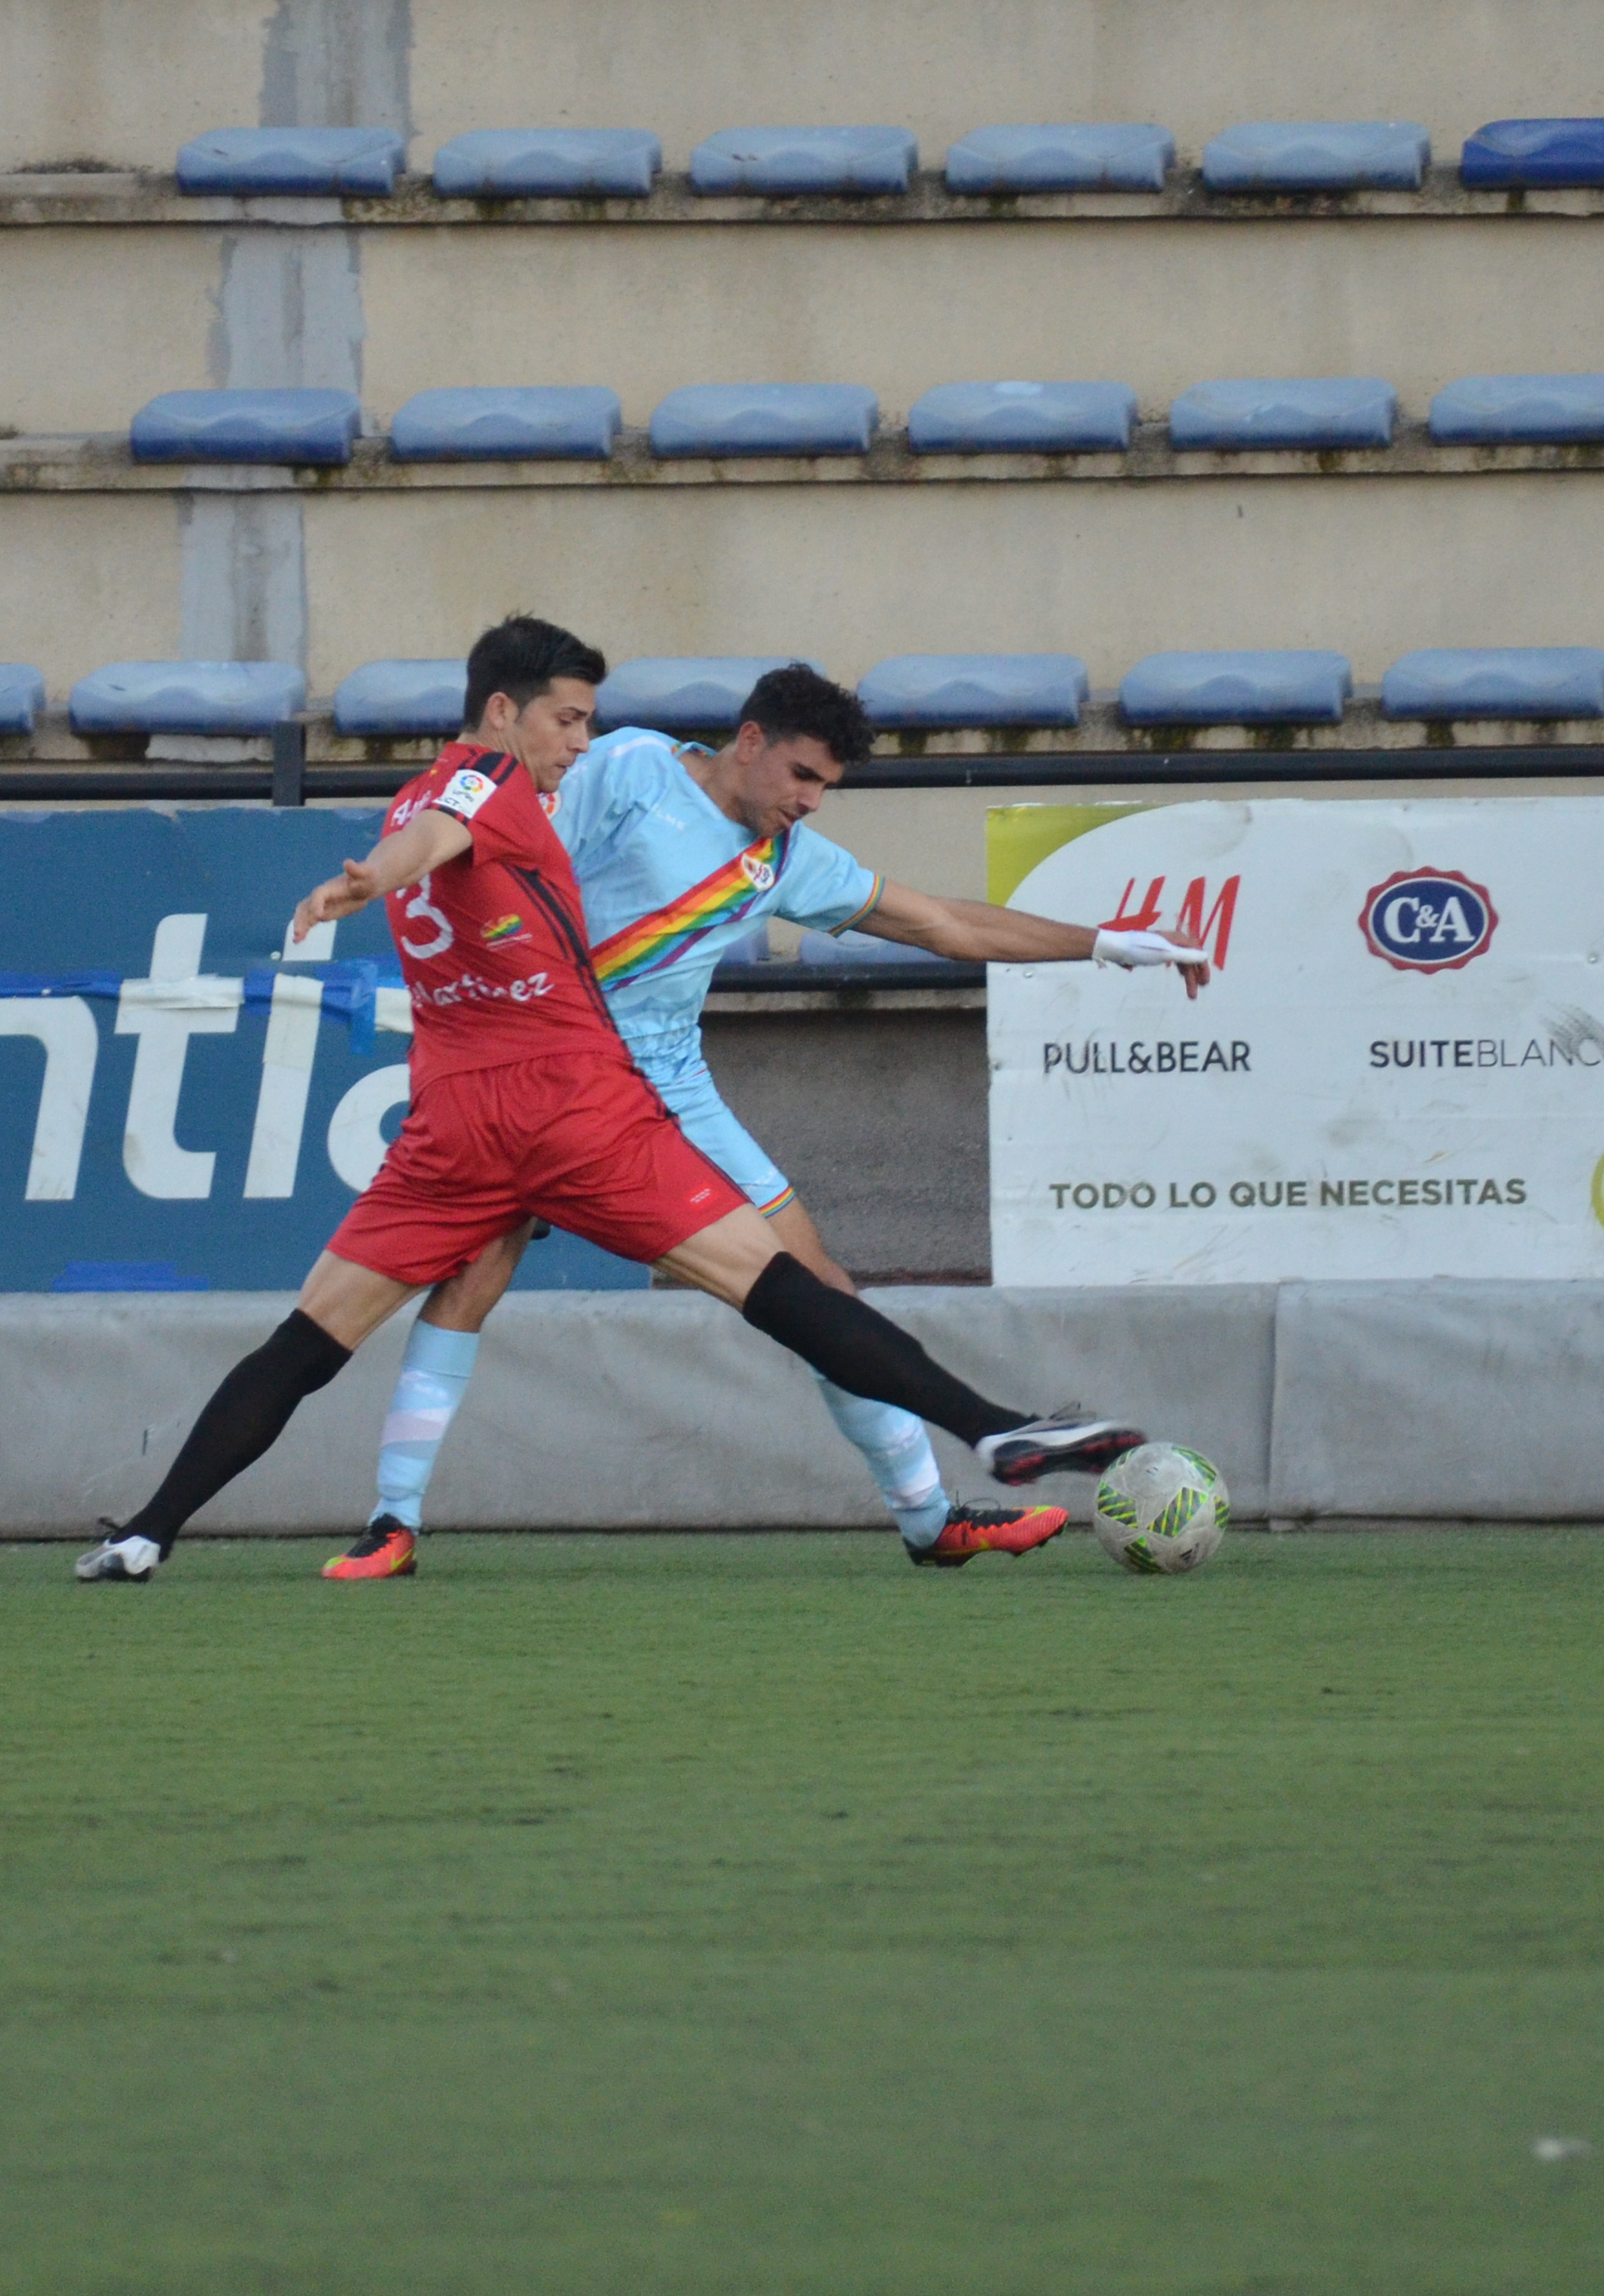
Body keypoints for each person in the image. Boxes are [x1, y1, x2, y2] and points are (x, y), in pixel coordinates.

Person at [74, 618, 1177, 1582]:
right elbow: (471, 817)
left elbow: (943, 925)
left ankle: (930, 1514)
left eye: (823, 789)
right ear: (746, 742)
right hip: (567, 1075)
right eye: (797, 775)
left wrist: (1106, 944)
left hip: (620, 1085)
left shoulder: (779, 854)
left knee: (802, 1282)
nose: (805, 802)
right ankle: (393, 1516)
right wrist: (389, 872)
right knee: (504, 1284)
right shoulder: (615, 774)